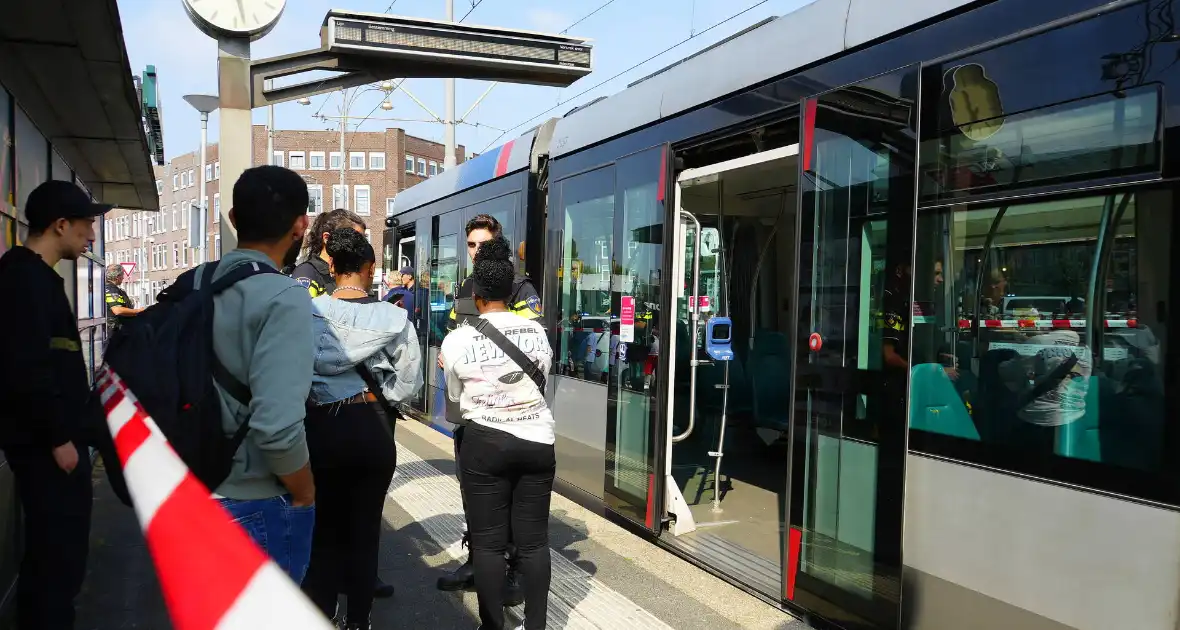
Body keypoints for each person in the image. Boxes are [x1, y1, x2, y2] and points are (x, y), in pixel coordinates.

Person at [0, 180, 112, 629]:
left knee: (55, 557)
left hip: (51, 445)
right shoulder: (23, 279)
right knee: (57, 559)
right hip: (48, 449)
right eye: (86, 224)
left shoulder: (32, 276)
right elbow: (27, 367)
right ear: (61, 224)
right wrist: (59, 438)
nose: (90, 235)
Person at [302, 228, 422, 629]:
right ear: (370, 269)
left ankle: (321, 613)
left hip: (321, 428)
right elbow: (408, 384)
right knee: (365, 529)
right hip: (371, 428)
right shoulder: (394, 317)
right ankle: (358, 621)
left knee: (323, 527)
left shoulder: (304, 311)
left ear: (331, 265)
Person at [204, 165, 318, 583]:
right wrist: (305, 492)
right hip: (253, 499)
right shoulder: (285, 297)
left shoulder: (192, 283)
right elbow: (276, 429)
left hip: (189, 493)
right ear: (300, 226)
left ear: (233, 219)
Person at [441, 236, 555, 630]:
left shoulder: (457, 339)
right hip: (538, 440)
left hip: (484, 444)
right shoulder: (538, 333)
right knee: (535, 542)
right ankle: (536, 625)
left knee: (488, 544)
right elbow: (542, 384)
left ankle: (492, 625)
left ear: (476, 294)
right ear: (510, 288)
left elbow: (454, 407)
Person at [291, 208, 366, 298]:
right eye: (353, 238)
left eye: (363, 239)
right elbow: (303, 309)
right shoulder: (306, 272)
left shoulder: (356, 273)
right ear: (326, 238)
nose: (362, 245)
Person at [103, 263, 142, 333]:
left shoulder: (108, 288)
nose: (123, 277)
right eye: (122, 275)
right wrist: (138, 311)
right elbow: (117, 310)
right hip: (114, 330)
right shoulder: (111, 289)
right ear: (117, 277)